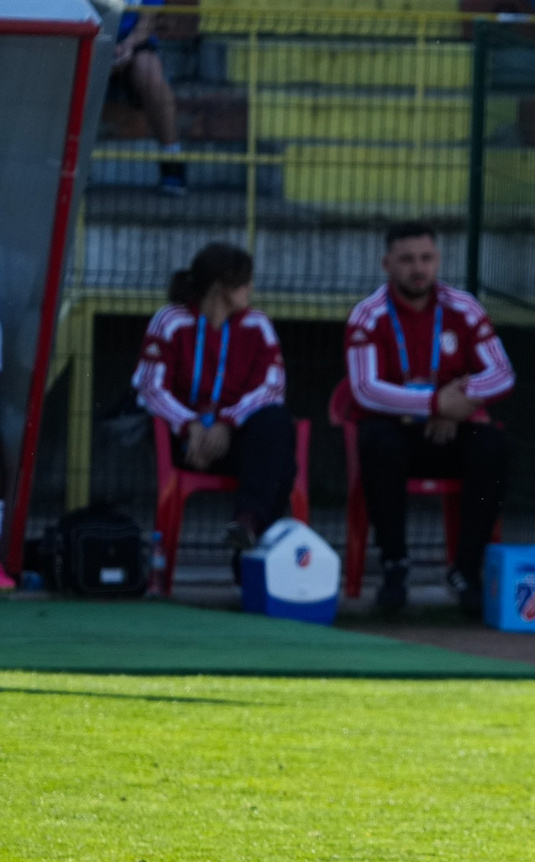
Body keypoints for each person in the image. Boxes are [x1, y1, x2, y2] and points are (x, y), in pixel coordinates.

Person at [344, 221, 514, 617]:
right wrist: (434, 403)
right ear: (386, 264)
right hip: (398, 434)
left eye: (426, 258)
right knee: (378, 444)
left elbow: (503, 374)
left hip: (452, 433)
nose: (418, 268)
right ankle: (395, 564)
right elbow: (365, 388)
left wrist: (461, 401)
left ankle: (466, 569)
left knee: (493, 448)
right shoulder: (367, 315)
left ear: (438, 260)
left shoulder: (464, 308)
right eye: (406, 260)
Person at [132, 243, 295, 551]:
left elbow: (271, 389)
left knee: (276, 422)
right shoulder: (170, 320)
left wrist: (226, 423)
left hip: (234, 442)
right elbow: (150, 387)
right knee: (282, 464)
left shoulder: (258, 325)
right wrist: (190, 425)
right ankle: (248, 546)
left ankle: (245, 526)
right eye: (245, 282)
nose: (251, 288)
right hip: (185, 444)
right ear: (222, 288)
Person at [109, 0, 185, 197]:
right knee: (83, 73)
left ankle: (172, 159)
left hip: (134, 44)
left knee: (150, 74)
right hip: (94, 39)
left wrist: (127, 45)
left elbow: (148, 20)